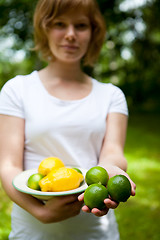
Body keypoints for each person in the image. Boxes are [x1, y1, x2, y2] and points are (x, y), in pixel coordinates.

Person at [0, 0, 136, 239]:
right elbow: (8, 166)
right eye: (59, 24)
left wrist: (111, 169)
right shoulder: (17, 90)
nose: (70, 35)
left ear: (94, 32)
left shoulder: (111, 95)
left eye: (81, 25)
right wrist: (39, 212)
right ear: (44, 29)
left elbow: (113, 151)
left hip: (96, 231)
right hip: (31, 231)